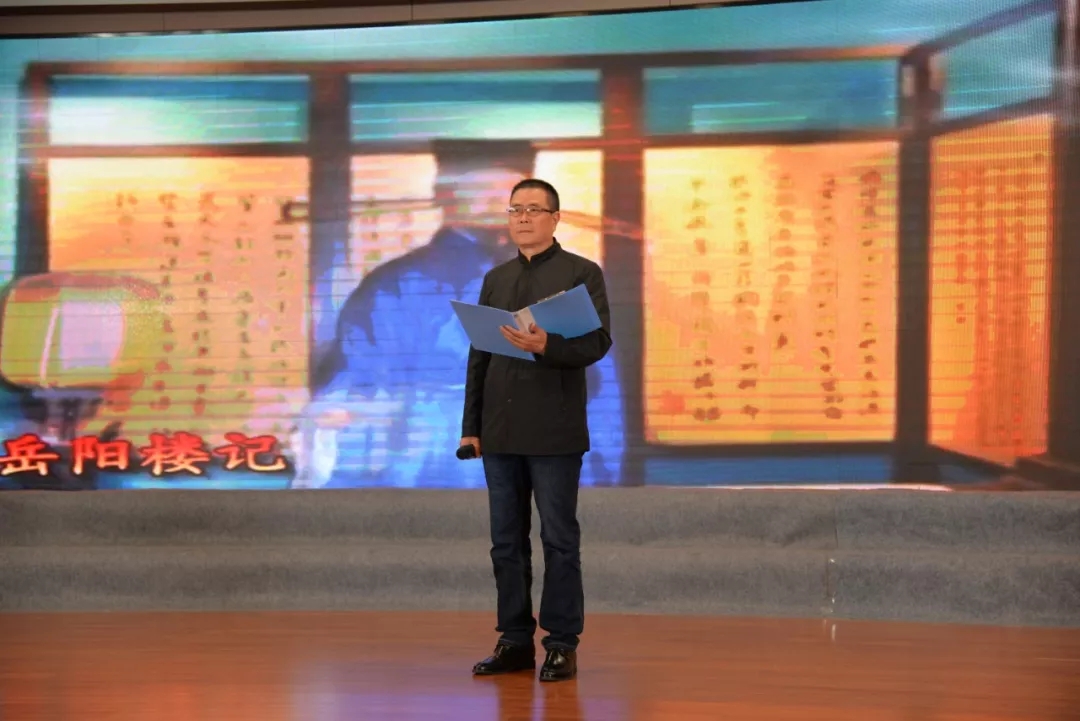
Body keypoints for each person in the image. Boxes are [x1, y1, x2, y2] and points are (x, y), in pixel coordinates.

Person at [462, 178, 611, 683]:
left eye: (533, 209)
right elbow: (479, 357)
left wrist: (548, 346)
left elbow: (597, 344)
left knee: (559, 539)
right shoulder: (496, 278)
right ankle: (513, 640)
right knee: (505, 541)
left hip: (554, 429)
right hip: (499, 430)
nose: (523, 217)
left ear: (555, 218)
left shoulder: (581, 273)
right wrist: (470, 428)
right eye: (515, 209)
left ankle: (562, 643)